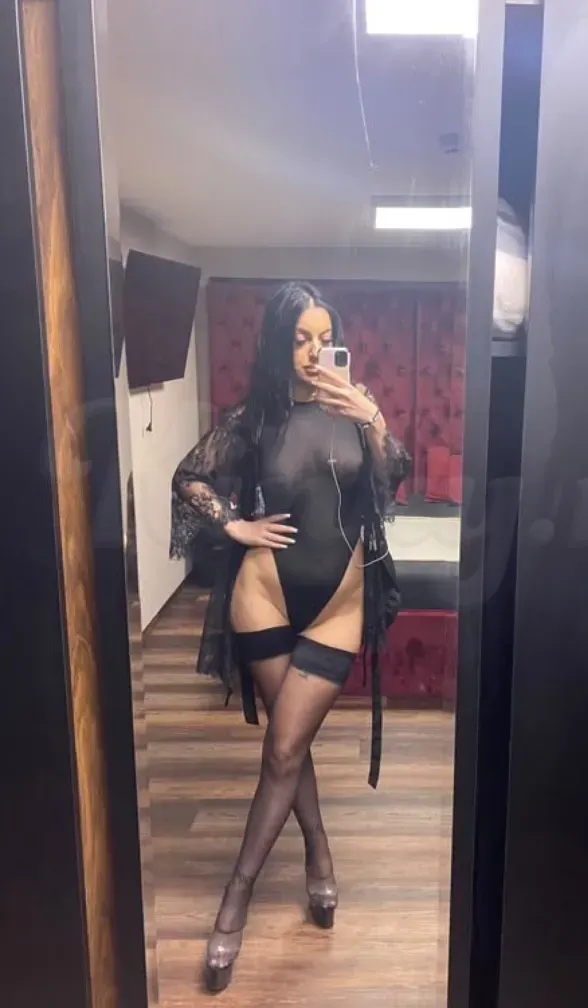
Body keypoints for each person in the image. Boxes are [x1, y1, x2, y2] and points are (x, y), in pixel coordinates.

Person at [170, 281, 411, 991]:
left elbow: (395, 475)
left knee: (283, 746)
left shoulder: (356, 407)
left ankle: (256, 881)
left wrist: (370, 414)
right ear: (280, 343)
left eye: (325, 338)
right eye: (300, 338)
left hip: (340, 599)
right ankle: (296, 870)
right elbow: (189, 477)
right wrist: (236, 526)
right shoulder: (255, 417)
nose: (313, 351)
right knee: (287, 743)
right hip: (264, 592)